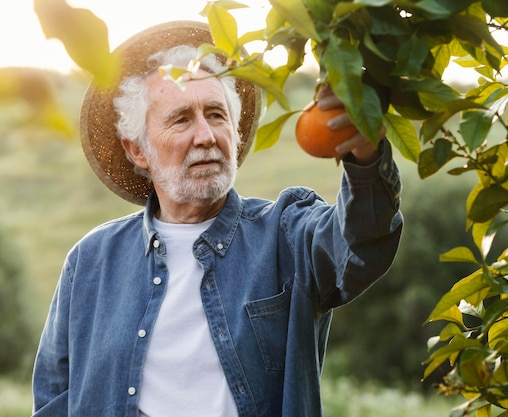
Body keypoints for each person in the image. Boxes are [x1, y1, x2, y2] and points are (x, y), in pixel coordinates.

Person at [31, 21, 403, 417]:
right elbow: (55, 398)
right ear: (137, 150)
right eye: (181, 119)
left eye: (216, 114)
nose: (206, 135)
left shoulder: (286, 235)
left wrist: (365, 157)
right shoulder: (90, 262)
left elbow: (362, 245)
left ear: (236, 133)